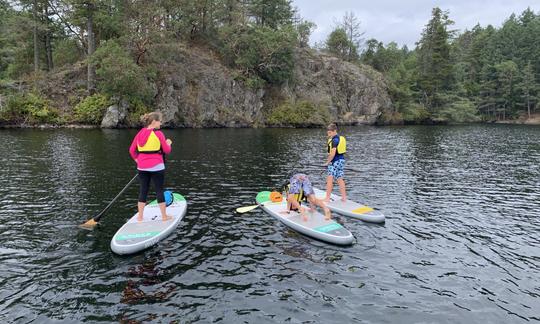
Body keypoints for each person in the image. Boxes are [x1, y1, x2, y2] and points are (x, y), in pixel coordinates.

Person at [129, 112, 173, 222]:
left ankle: (140, 217)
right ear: (154, 122)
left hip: (142, 167)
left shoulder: (139, 134)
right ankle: (164, 216)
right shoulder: (159, 134)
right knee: (159, 190)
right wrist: (168, 143)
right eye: (159, 121)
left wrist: (138, 161)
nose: (161, 123)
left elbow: (131, 150)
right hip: (157, 167)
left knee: (143, 190)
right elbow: (166, 151)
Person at [324, 123, 347, 202]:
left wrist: (327, 162)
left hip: (335, 161)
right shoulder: (339, 138)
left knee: (330, 178)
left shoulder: (335, 140)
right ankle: (344, 198)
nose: (329, 134)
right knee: (339, 178)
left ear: (334, 131)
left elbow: (333, 153)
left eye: (330, 133)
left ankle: (327, 198)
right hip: (341, 161)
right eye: (328, 133)